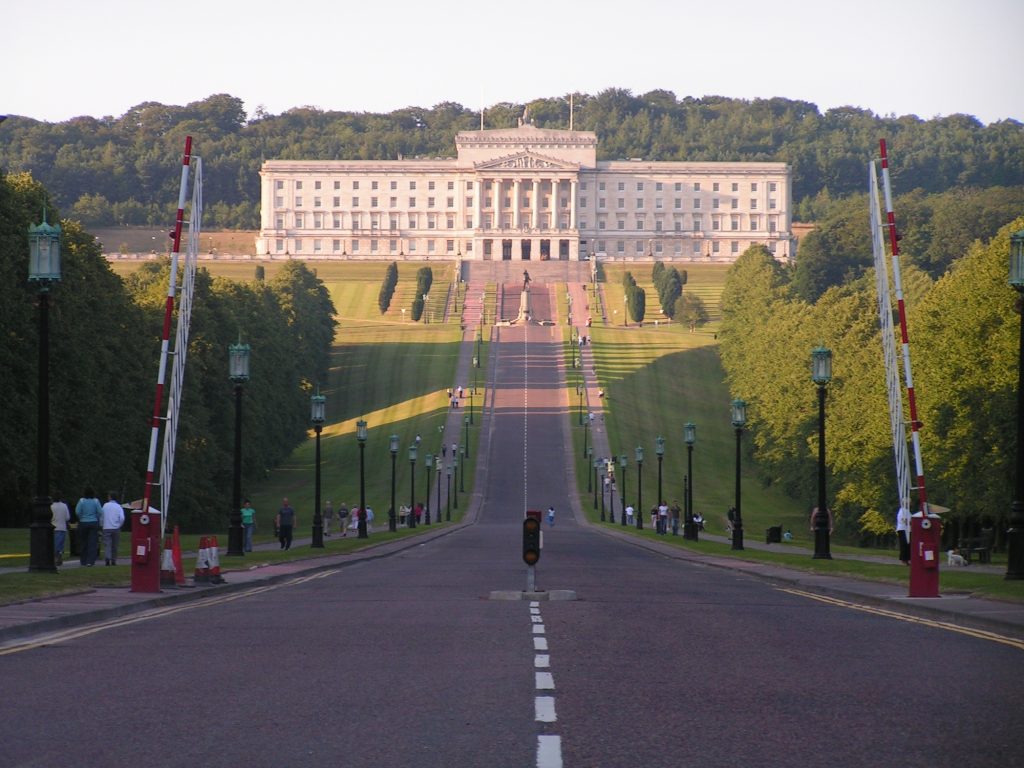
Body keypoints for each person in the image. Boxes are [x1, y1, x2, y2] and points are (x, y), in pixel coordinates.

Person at [75, 488, 102, 567]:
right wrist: (96, 517)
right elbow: (100, 512)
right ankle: (90, 561)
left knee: (84, 542)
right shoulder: (96, 501)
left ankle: (83, 560)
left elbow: (77, 511)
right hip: (93, 522)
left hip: (83, 522)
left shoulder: (81, 501)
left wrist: (81, 517)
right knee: (92, 542)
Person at [101, 491, 125, 566]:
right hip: (116, 528)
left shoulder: (105, 505)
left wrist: (102, 524)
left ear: (110, 497)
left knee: (107, 544)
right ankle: (113, 560)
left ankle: (107, 558)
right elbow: (122, 518)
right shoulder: (118, 506)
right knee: (115, 545)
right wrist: (119, 525)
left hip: (106, 527)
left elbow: (101, 516)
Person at [51, 495, 71, 566]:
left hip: (53, 527)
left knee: (54, 544)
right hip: (62, 527)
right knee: (60, 545)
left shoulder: (51, 506)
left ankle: (54, 558)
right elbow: (67, 517)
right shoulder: (64, 506)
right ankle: (59, 557)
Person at [896, 499, 912, 565]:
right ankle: (904, 559)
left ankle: (907, 559)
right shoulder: (902, 511)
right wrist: (909, 523)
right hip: (903, 529)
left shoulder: (907, 511)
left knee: (908, 545)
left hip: (907, 529)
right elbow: (902, 520)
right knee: (904, 544)